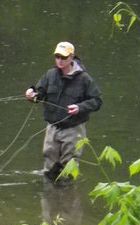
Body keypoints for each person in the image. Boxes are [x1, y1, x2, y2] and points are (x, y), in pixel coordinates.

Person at [25, 41, 102, 181]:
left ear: (71, 57)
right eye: (57, 57)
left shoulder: (84, 79)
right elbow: (39, 94)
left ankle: (69, 196)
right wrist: (32, 94)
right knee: (49, 165)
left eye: (63, 57)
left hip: (74, 129)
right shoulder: (50, 75)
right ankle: (51, 196)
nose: (59, 60)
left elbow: (97, 101)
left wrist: (80, 107)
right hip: (52, 128)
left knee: (68, 167)